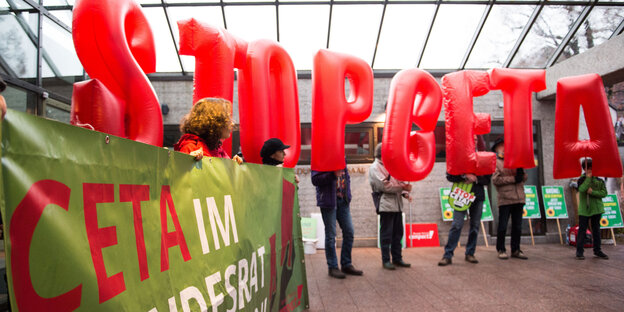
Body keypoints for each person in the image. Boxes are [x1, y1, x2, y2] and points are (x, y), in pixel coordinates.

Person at [438, 136, 491, 266]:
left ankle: (470, 253)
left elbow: (488, 179)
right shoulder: (459, 156)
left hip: (477, 195)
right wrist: (464, 176)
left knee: (475, 225)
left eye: (476, 139)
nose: (474, 141)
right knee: (457, 224)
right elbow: (449, 175)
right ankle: (448, 254)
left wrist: (476, 179)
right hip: (461, 194)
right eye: (471, 138)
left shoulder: (483, 156)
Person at [311, 166, 363, 279]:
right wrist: (332, 174)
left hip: (342, 201)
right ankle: (332, 267)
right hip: (328, 200)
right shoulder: (320, 156)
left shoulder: (341, 155)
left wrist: (348, 195)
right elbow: (315, 180)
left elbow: (346, 175)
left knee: (349, 231)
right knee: (331, 235)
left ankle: (346, 264)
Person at [369, 143, 412, 270]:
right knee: (386, 234)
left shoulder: (391, 165)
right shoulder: (375, 167)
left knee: (398, 233)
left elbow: (399, 181)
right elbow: (385, 186)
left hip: (397, 204)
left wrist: (405, 193)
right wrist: (403, 188)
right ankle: (386, 260)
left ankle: (398, 258)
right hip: (386, 204)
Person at [491, 137, 528, 260]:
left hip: (519, 197)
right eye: (501, 145)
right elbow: (495, 180)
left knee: (517, 226)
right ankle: (501, 249)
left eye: (505, 145)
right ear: (497, 148)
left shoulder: (516, 160)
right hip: (505, 198)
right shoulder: (496, 162)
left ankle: (516, 249)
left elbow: (524, 177)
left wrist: (522, 175)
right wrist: (513, 179)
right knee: (503, 226)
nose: (504, 147)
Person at [174, 97, 241, 163]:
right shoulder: (191, 147)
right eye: (227, 119)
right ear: (215, 122)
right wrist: (189, 160)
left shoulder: (216, 147)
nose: (232, 123)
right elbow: (182, 171)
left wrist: (232, 166)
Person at [576, 158, 609, 260]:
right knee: (582, 230)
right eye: (588, 169)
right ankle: (579, 252)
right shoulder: (581, 179)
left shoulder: (599, 180)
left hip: (596, 209)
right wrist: (588, 179)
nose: (590, 171)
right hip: (584, 209)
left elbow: (604, 193)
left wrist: (593, 192)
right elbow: (581, 189)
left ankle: (597, 250)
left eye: (591, 168)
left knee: (596, 230)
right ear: (584, 169)